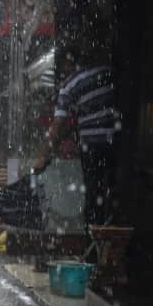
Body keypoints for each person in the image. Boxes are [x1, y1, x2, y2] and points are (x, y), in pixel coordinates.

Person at [36, 51, 120, 225]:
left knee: (94, 194)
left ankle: (95, 238)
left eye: (61, 69)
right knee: (112, 192)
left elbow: (58, 124)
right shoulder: (107, 71)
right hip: (115, 143)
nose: (61, 73)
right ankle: (111, 230)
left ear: (68, 65)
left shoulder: (69, 86)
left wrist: (42, 157)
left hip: (92, 147)